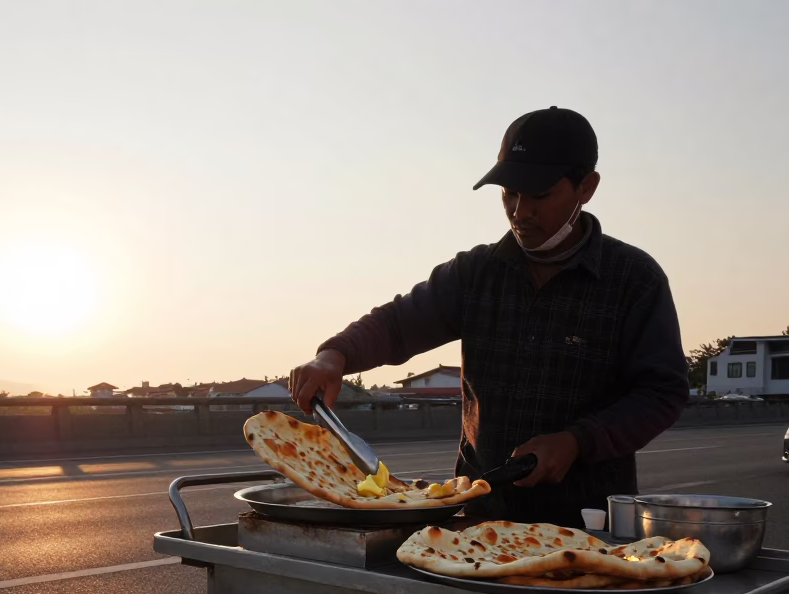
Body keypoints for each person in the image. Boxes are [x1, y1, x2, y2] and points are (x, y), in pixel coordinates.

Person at [288, 107, 689, 527]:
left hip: (591, 522)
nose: (519, 212)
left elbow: (662, 392)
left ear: (586, 188)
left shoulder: (634, 280)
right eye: (509, 194)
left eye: (539, 195)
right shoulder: (474, 273)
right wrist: (333, 357)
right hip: (479, 521)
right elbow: (397, 325)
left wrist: (577, 441)